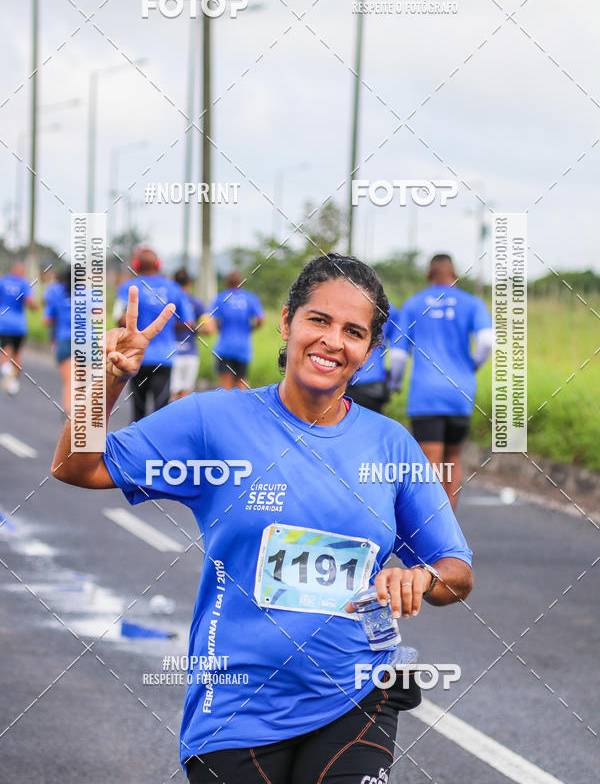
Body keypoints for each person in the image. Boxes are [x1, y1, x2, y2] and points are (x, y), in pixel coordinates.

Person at [52, 253, 473, 784]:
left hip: (355, 691)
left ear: (368, 351)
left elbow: (456, 569)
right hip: (233, 711)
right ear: (287, 322)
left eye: (354, 331)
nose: (332, 341)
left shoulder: (390, 445)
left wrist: (423, 577)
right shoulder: (213, 422)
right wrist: (105, 382)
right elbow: (76, 466)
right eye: (318, 320)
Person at [390, 254, 494, 511]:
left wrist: (395, 382)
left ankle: (431, 528)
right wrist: (472, 366)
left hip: (425, 395)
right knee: (454, 458)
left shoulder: (414, 305)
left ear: (429, 275)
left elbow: (399, 354)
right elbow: (487, 342)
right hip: (460, 392)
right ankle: (450, 527)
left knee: (431, 465)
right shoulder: (472, 303)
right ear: (454, 273)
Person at [114, 247, 192, 420]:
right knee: (161, 412)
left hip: (135, 358)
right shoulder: (174, 288)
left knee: (138, 411)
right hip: (164, 358)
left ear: (136, 264)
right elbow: (188, 322)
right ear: (158, 264)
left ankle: (135, 446)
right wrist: (167, 324)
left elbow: (119, 319)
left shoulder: (127, 287)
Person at [209, 271, 264, 389]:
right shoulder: (250, 298)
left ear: (226, 283)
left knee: (225, 385)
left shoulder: (221, 297)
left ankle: (225, 407)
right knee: (241, 382)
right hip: (243, 348)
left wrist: (219, 327)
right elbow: (260, 319)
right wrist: (250, 328)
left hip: (225, 347)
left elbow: (211, 320)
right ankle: (244, 407)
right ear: (241, 282)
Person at [345, 302, 402, 413]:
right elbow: (398, 352)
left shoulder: (343, 302)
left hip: (340, 381)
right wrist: (395, 382)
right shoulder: (389, 310)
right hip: (372, 385)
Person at [170, 268, 216, 400]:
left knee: (172, 396)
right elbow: (209, 329)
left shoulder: (168, 300)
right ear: (190, 283)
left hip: (171, 354)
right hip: (190, 354)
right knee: (185, 396)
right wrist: (193, 328)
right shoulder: (196, 303)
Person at [0, 261, 38, 395]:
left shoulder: (3, 281)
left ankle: (6, 370)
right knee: (17, 354)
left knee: (5, 350)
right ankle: (14, 382)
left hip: (3, 322)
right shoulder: (24, 284)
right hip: (19, 325)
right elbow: (30, 302)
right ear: (21, 272)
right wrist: (36, 307)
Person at [43, 266, 72, 412]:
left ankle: (70, 418)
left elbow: (47, 321)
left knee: (70, 383)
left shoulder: (55, 292)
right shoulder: (91, 294)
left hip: (64, 341)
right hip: (88, 343)